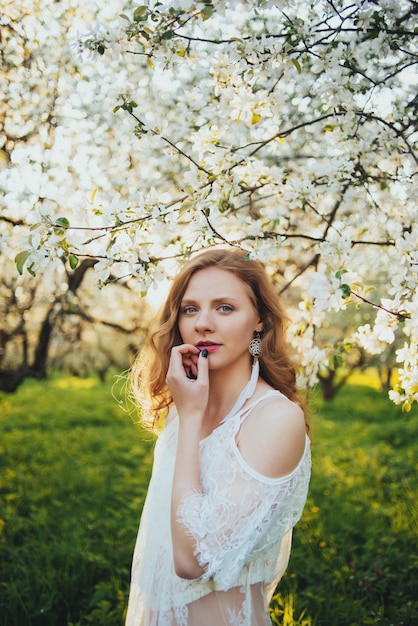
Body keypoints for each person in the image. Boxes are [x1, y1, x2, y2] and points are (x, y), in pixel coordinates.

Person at [125, 247, 311, 626]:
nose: (203, 324)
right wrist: (190, 412)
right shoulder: (186, 405)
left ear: (259, 321)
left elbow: (192, 561)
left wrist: (191, 416)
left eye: (225, 307)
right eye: (190, 309)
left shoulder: (275, 419)